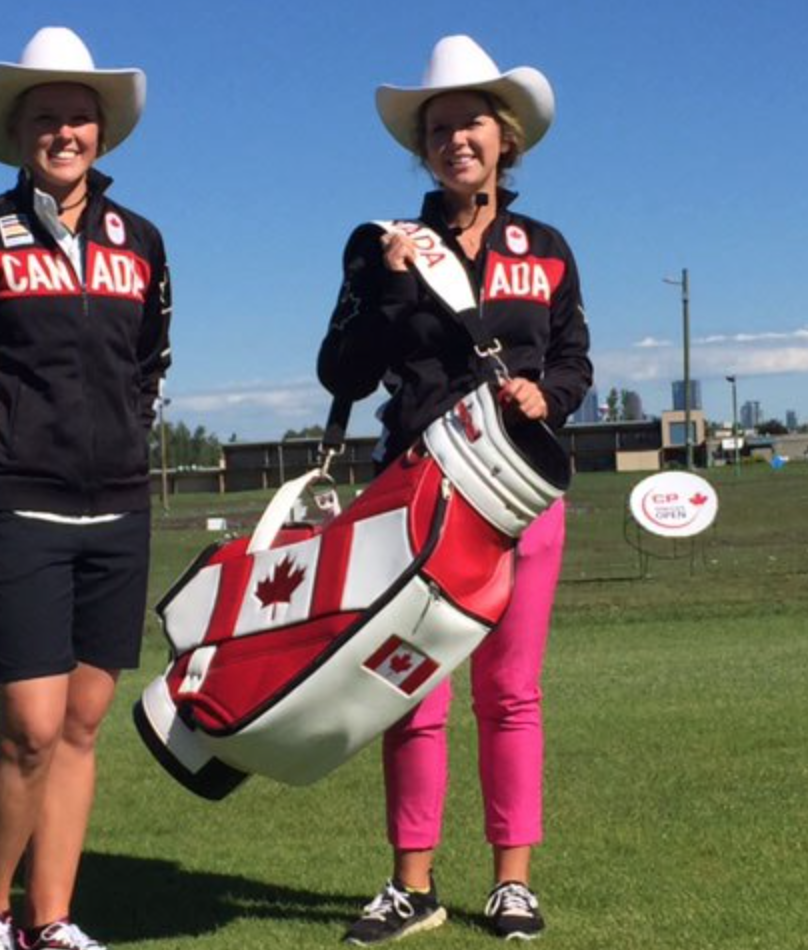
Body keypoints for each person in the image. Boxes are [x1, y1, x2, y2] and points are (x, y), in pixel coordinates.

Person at [318, 34, 592, 945]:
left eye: (471, 122)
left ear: (504, 138)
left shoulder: (545, 248)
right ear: (423, 147)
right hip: (417, 498)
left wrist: (545, 395)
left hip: (519, 495)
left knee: (510, 694)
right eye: (438, 128)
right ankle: (412, 885)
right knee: (411, 696)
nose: (456, 139)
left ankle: (513, 883)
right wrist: (392, 286)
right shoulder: (386, 247)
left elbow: (574, 359)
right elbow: (342, 374)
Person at [0, 27, 171, 950]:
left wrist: (120, 447)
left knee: (82, 724)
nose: (64, 132)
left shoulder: (140, 240)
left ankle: (51, 920)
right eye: (46, 118)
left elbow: (151, 366)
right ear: (18, 133)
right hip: (13, 503)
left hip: (120, 509)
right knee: (28, 723)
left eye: (78, 117)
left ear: (101, 133)